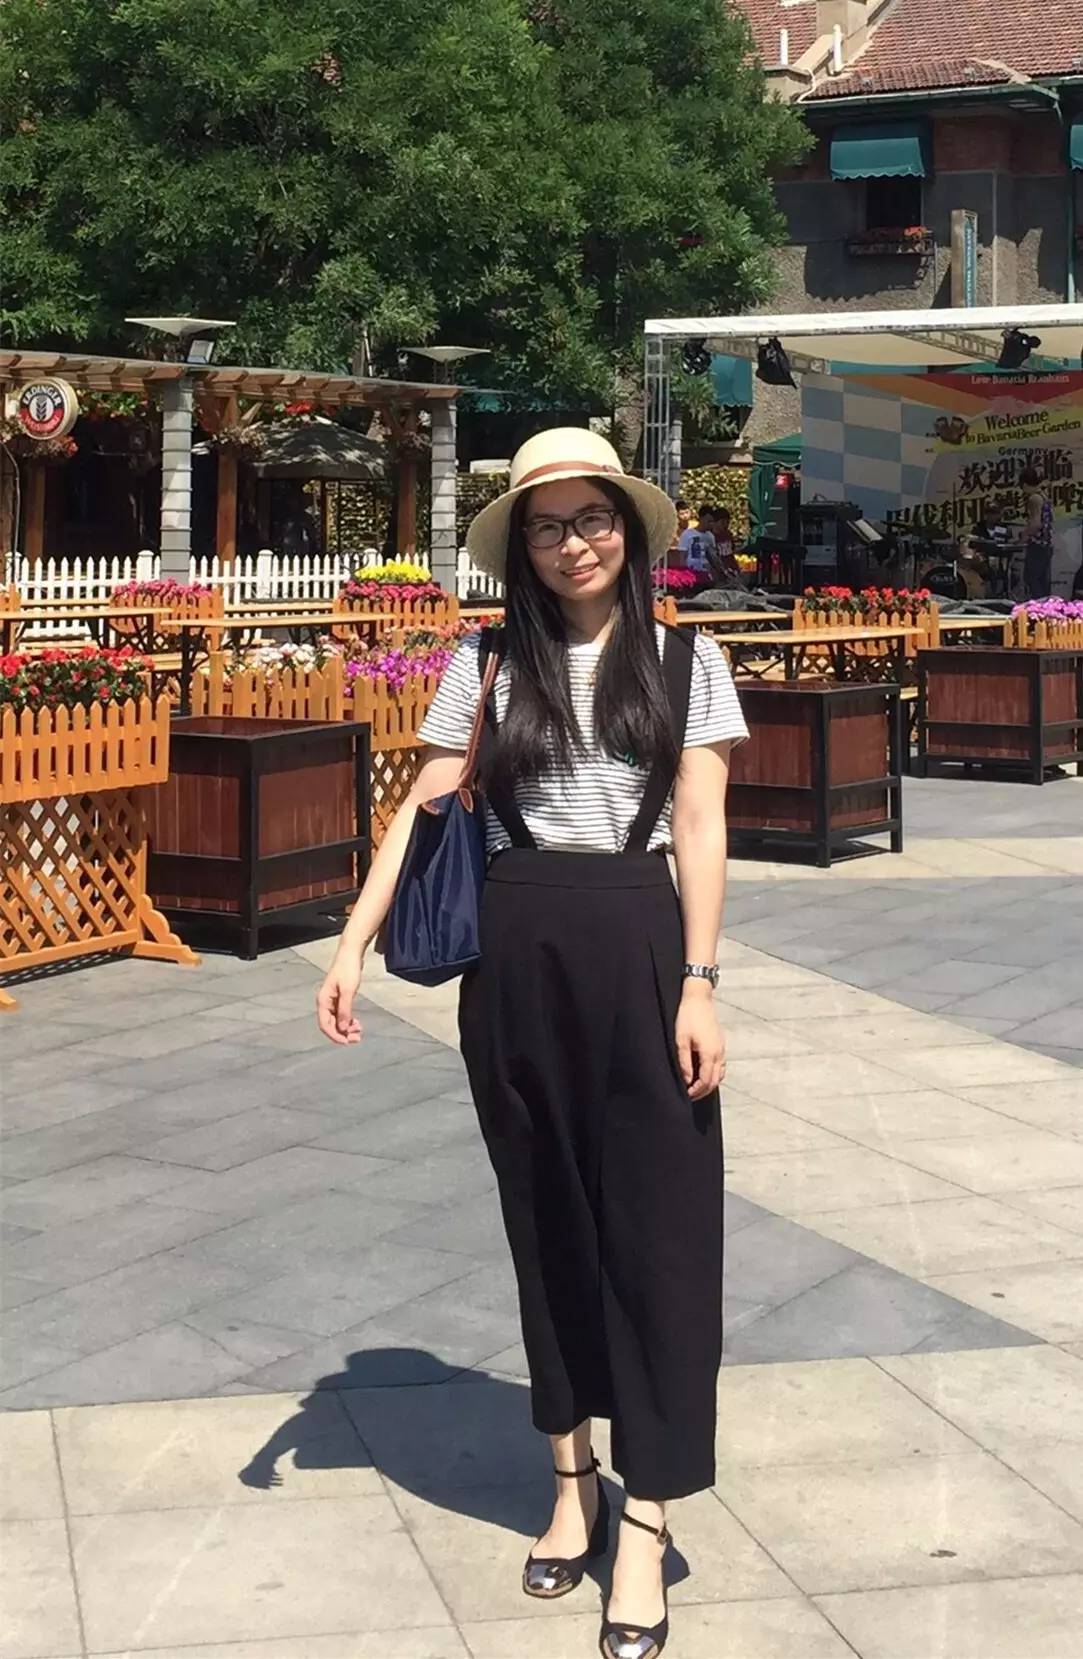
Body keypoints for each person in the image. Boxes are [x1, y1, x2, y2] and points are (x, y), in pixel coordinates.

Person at [317, 427, 747, 1659]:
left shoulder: (685, 659)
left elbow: (701, 825)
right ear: (523, 545)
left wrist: (701, 982)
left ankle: (648, 1518)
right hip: (513, 951)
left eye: (592, 519)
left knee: (663, 1233)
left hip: (640, 938)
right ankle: (572, 1487)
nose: (574, 544)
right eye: (548, 526)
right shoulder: (486, 660)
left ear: (628, 528)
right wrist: (351, 943)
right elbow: (423, 810)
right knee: (544, 1217)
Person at [1021, 467, 1054, 599]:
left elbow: (1036, 524)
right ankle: (1046, 607)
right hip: (1046, 543)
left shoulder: (1034, 498)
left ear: (1024, 484)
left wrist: (1023, 536)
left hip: (1037, 544)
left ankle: (1037, 606)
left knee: (1032, 578)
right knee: (1042, 580)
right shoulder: (1044, 496)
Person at [677, 503, 717, 580]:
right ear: (701, 519)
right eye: (708, 521)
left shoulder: (710, 537)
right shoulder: (687, 534)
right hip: (691, 573)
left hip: (706, 574)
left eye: (712, 522)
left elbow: (713, 557)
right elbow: (682, 556)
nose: (710, 524)